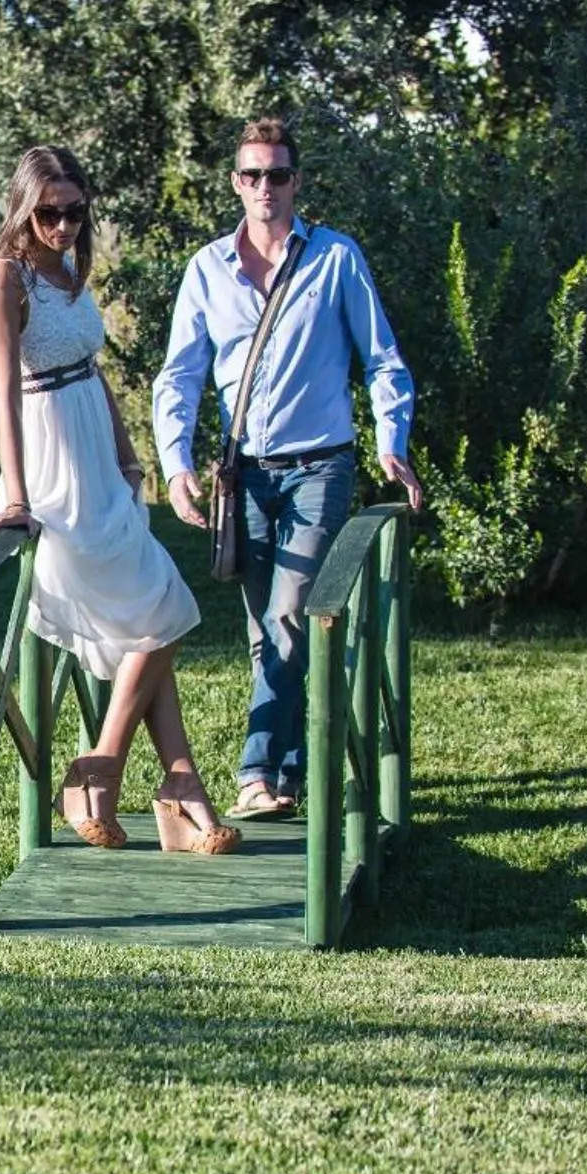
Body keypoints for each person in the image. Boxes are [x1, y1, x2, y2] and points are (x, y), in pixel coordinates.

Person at [152, 117, 421, 820]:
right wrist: (175, 462)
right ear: (234, 183)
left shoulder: (334, 258)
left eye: (276, 174)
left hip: (319, 468)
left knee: (288, 613)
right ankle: (291, 776)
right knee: (264, 632)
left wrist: (391, 441)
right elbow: (178, 376)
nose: (263, 187)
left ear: (295, 182)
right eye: (250, 175)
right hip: (242, 475)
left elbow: (383, 359)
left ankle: (252, 769)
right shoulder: (207, 268)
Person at [0, 145, 239, 856]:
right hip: (49, 468)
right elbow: (2, 397)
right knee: (162, 610)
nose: (63, 226)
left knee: (148, 618)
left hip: (100, 459)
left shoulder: (69, 271)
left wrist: (131, 456)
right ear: (23, 208)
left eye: (74, 212)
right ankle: (129, 775)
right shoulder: (5, 280)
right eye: (49, 213)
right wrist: (16, 496)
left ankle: (157, 781)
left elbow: (88, 370)